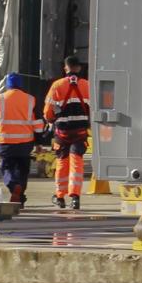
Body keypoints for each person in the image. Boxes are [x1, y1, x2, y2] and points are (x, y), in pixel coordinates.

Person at [44, 55, 92, 210]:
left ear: (65, 68)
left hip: (62, 133)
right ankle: (75, 197)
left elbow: (48, 113)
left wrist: (51, 121)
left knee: (62, 163)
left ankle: (59, 196)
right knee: (76, 163)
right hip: (80, 132)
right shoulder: (87, 86)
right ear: (78, 68)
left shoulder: (57, 86)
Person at [0, 73, 43, 205]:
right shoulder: (31, 99)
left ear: (7, 85)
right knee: (23, 169)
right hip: (25, 143)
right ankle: (20, 197)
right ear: (21, 85)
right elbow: (38, 124)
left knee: (6, 168)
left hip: (5, 142)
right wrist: (39, 142)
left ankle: (13, 186)